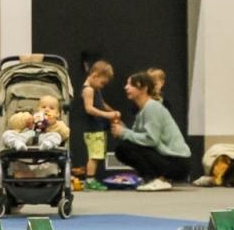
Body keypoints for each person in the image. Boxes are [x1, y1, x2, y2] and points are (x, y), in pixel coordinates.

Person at [110, 71, 191, 191]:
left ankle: (160, 178)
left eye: (131, 85)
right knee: (124, 148)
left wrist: (124, 132)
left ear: (144, 88)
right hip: (168, 159)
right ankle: (154, 178)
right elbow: (137, 137)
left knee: (125, 148)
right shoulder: (142, 111)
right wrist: (123, 130)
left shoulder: (152, 107)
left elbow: (151, 140)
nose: (126, 87)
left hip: (178, 162)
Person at [79, 60, 121, 189]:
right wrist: (107, 115)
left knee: (98, 154)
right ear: (95, 75)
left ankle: (91, 178)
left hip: (98, 127)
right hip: (92, 129)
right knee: (94, 156)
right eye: (102, 82)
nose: (102, 86)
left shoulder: (96, 89)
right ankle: (90, 180)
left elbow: (102, 104)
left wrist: (112, 111)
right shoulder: (88, 90)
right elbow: (89, 108)